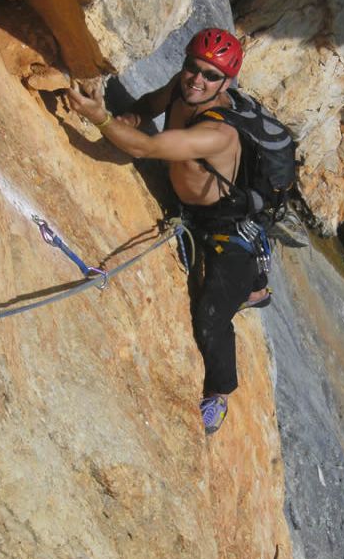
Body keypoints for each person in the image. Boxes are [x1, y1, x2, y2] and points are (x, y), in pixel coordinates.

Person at [65, 28, 271, 435]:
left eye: (211, 76)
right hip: (192, 208)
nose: (198, 80)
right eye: (193, 68)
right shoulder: (182, 87)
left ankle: (221, 391)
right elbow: (150, 104)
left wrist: (101, 119)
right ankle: (252, 288)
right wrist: (132, 117)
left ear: (226, 83)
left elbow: (145, 148)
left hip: (225, 225)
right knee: (213, 290)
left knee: (211, 316)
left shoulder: (218, 132)